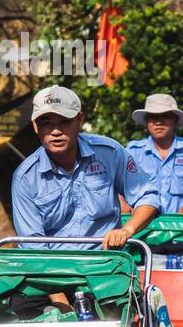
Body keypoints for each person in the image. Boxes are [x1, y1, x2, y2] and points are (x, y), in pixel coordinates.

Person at [11, 85, 160, 247]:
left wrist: (126, 230)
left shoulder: (110, 153)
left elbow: (148, 196)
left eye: (65, 121)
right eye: (46, 123)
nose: (55, 131)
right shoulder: (25, 178)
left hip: (107, 262)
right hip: (53, 267)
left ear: (80, 120)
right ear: (35, 126)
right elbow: (33, 245)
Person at [126, 93, 183, 215]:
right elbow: (118, 187)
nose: (158, 122)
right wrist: (125, 207)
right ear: (146, 121)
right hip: (141, 227)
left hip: (181, 226)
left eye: (165, 116)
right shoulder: (133, 152)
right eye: (152, 117)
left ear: (175, 120)